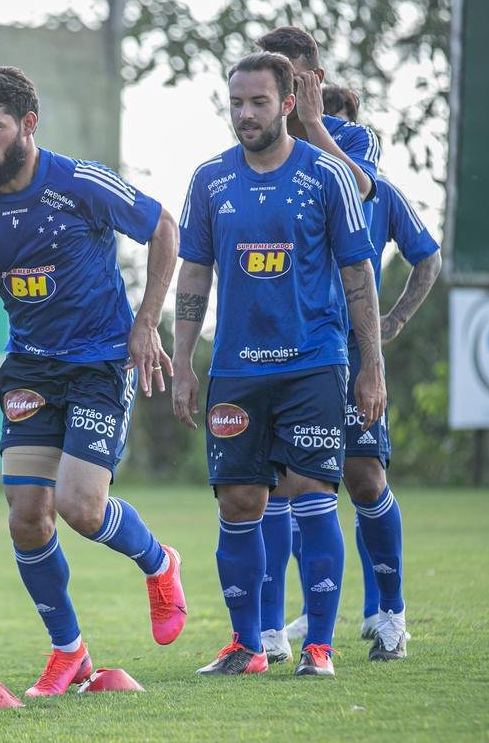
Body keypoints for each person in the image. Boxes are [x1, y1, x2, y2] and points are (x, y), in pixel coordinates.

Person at [0, 66, 187, 697]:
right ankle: (69, 650)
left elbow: (163, 229)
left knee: (78, 506)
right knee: (26, 516)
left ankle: (159, 562)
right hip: (31, 366)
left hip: (99, 361)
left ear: (28, 126)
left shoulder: (77, 182)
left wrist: (146, 323)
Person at [172, 52, 386, 677]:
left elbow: (358, 272)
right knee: (238, 502)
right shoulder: (209, 180)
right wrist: (184, 362)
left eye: (258, 102)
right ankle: (247, 645)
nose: (245, 114)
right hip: (237, 368)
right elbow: (194, 272)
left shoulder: (327, 174)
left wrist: (371, 366)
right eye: (236, 103)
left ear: (288, 102)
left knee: (315, 497)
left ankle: (319, 646)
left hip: (313, 362)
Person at [283, 86, 441, 660]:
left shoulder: (375, 186)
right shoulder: (281, 174)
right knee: (292, 484)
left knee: (364, 476)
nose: (326, 131)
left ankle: (387, 613)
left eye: (335, 121)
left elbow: (429, 256)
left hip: (352, 347)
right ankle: (293, 619)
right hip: (294, 346)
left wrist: (393, 321)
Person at [252, 27, 384, 663]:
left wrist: (312, 122)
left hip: (335, 343)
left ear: (314, 77)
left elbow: (360, 187)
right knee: (273, 487)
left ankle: (387, 611)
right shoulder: (259, 148)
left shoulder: (350, 139)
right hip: (269, 345)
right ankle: (275, 629)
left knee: (358, 477)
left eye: (295, 78)